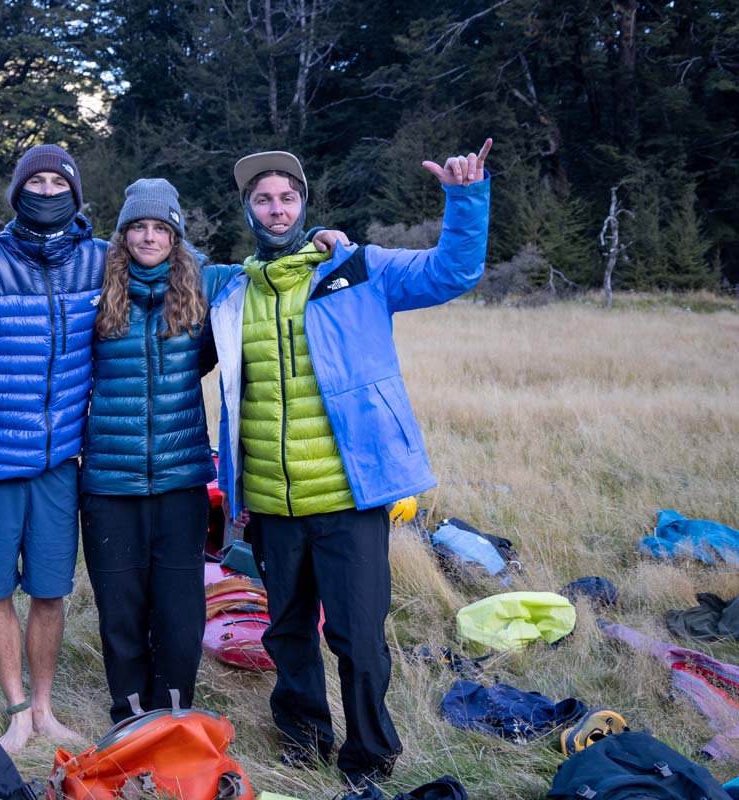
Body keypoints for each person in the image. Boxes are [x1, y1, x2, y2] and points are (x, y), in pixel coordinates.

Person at [212, 140, 493, 786]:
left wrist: (465, 197)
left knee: (357, 639)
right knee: (285, 635)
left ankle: (369, 753)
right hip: (272, 503)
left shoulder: (356, 270)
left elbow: (451, 271)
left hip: (349, 497)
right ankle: (303, 739)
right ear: (248, 210)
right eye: (263, 199)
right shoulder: (234, 293)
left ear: (303, 205)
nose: (276, 209)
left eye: (286, 198)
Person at [0, 144, 105, 752]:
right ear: (17, 192)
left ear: (75, 194)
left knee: (50, 590)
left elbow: (176, 261)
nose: (47, 192)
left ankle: (44, 709)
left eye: (58, 182)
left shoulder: (101, 261)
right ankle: (17, 709)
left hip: (58, 462)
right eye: (35, 182)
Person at [78, 179, 236, 723]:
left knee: (179, 610)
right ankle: (129, 712)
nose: (149, 237)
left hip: (181, 478)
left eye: (160, 228)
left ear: (176, 236)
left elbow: (267, 265)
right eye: (138, 227)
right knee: (120, 608)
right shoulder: (95, 287)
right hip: (108, 482)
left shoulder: (204, 288)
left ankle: (173, 712)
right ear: (122, 236)